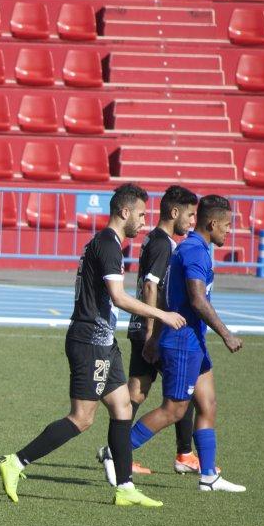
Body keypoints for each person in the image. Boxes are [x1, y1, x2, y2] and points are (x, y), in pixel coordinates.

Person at [0, 183, 185, 508]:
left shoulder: (107, 243)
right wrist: (161, 314)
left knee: (123, 407)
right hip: (89, 342)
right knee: (82, 418)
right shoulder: (108, 245)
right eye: (140, 214)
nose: (143, 221)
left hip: (104, 341)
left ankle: (124, 487)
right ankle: (16, 462)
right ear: (124, 212)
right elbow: (118, 297)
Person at [126, 195, 246, 493]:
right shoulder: (193, 251)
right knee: (174, 410)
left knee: (208, 403)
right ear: (212, 223)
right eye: (227, 225)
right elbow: (196, 298)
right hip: (183, 343)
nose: (229, 231)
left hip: (195, 341)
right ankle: (116, 451)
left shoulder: (197, 248)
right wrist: (226, 333)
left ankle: (208, 475)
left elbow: (171, 295)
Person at [100, 185, 201, 476]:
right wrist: (151, 331)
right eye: (190, 215)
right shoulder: (161, 243)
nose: (192, 221)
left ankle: (120, 452)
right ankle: (181, 454)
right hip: (153, 331)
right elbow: (150, 285)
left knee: (138, 392)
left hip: (145, 328)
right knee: (183, 394)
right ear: (174, 212)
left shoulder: (155, 240)